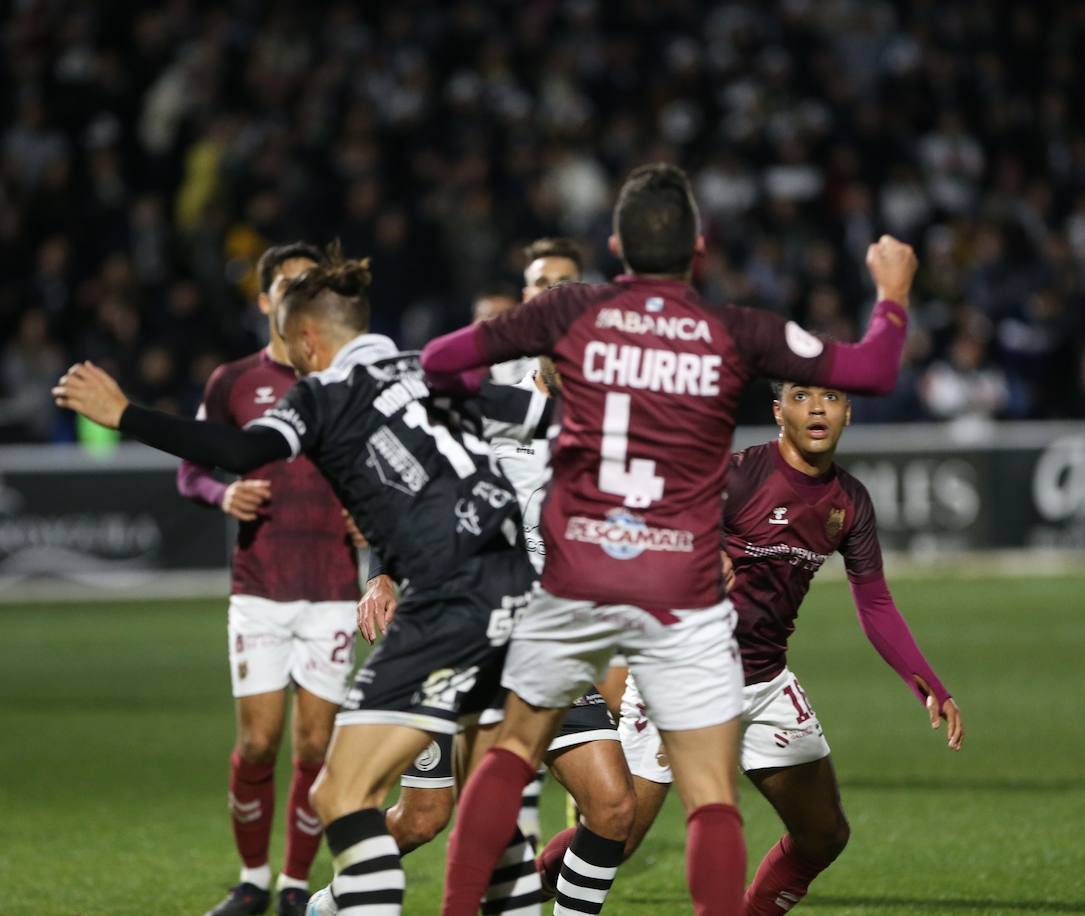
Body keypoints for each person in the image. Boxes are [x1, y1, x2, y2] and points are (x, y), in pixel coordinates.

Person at [421, 162, 917, 916]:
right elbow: (875, 367)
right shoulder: (736, 330)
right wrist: (892, 291)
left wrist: (512, 413)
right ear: (700, 247)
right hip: (677, 586)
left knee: (512, 751)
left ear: (617, 244)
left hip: (578, 566)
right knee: (711, 797)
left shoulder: (569, 312)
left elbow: (438, 365)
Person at [53, 243, 552, 916]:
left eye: (294, 349)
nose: (293, 361)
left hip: (448, 597)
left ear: (311, 340)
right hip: (521, 589)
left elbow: (238, 450)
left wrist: (125, 415)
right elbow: (547, 419)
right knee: (493, 802)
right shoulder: (430, 367)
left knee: (341, 795)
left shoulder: (324, 394)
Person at [317, 237, 636, 916]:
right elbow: (415, 496)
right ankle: (330, 905)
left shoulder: (613, 427)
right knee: (427, 818)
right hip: (461, 631)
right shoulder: (488, 405)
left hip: (549, 637)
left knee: (611, 809)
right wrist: (383, 577)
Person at [608, 380, 963, 914]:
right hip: (680, 679)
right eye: (801, 396)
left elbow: (875, 603)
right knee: (615, 836)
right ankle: (517, 890)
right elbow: (635, 528)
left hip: (764, 684)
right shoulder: (736, 474)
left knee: (823, 834)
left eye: (832, 398)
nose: (818, 407)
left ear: (848, 414)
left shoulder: (850, 501)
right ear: (778, 412)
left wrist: (930, 684)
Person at [174, 243, 363, 916]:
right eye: (287, 286)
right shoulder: (233, 382)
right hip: (261, 582)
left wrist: (369, 514)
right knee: (258, 742)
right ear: (264, 301)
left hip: (335, 586)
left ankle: (293, 884)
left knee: (315, 745)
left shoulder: (345, 379)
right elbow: (191, 468)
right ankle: (252, 878)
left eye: (310, 285)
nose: (298, 296)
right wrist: (220, 496)